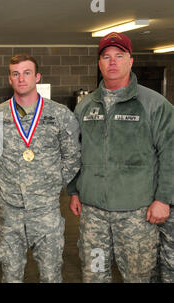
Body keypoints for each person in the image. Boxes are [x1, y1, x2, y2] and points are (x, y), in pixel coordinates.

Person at [68, 32, 173, 282]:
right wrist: (74, 189)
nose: (112, 61)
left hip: (136, 212)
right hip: (93, 213)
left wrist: (164, 199)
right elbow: (75, 151)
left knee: (138, 276)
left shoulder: (154, 104)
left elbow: (170, 153)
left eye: (119, 55)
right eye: (106, 56)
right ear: (99, 63)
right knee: (94, 274)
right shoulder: (85, 106)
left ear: (130, 61)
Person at [0, 53, 81, 283]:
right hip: (9, 210)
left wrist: (51, 185)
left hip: (46, 210)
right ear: (9, 79)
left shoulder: (59, 115)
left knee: (51, 274)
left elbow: (72, 157)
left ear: (37, 77)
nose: (21, 79)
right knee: (10, 275)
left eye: (27, 73)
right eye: (15, 74)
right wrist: (5, 180)